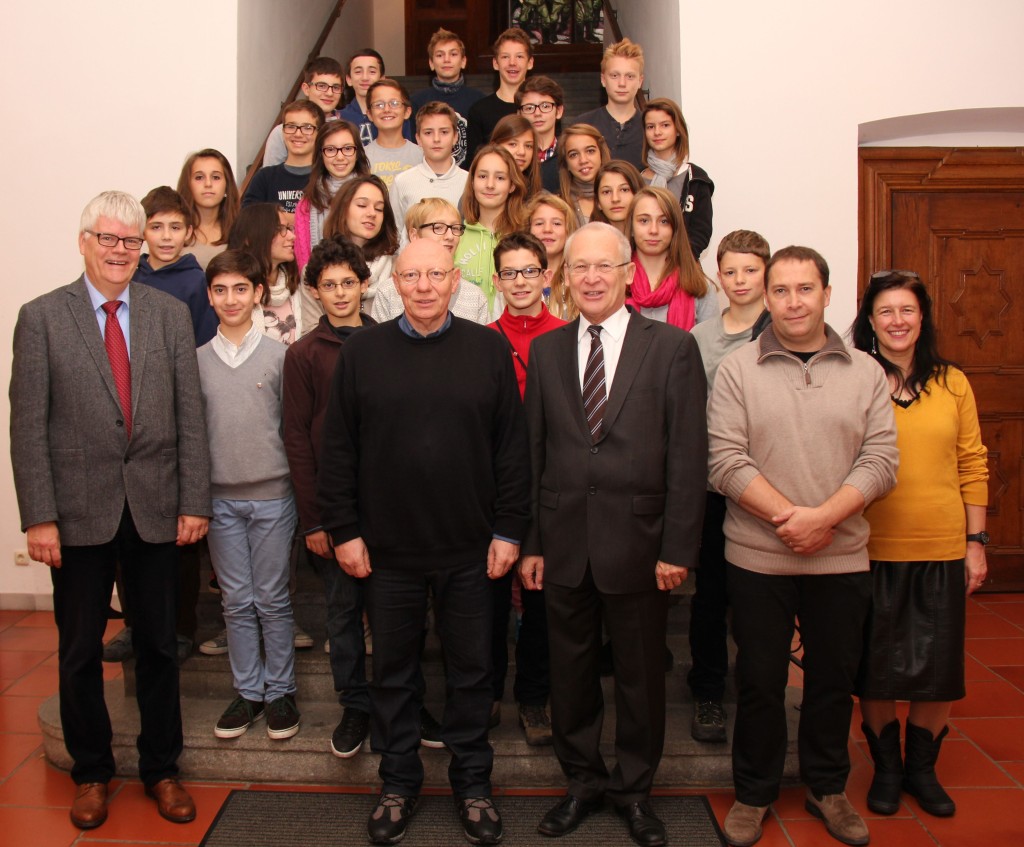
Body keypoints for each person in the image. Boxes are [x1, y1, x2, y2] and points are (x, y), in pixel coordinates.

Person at [318, 237, 530, 845]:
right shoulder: (363, 353)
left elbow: (512, 450)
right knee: (393, 674)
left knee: (472, 673)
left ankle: (473, 784)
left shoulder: (488, 348)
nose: (425, 286)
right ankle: (399, 782)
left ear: (456, 280)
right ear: (395, 283)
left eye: (437, 273)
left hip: (470, 550)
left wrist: (510, 528)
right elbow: (337, 451)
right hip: (386, 554)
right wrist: (345, 532)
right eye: (412, 275)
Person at [10, 190, 210, 829]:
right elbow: (27, 427)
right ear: (84, 242)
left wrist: (193, 500)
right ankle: (91, 772)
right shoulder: (42, 318)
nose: (121, 250)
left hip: (155, 509)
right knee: (77, 651)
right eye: (109, 239)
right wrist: (40, 516)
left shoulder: (167, 314)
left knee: (158, 646)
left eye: (131, 241)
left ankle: (162, 768)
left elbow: (189, 417)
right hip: (75, 515)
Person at [521, 222, 708, 847]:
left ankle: (634, 791)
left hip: (642, 545)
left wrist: (679, 548)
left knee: (639, 678)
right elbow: (534, 454)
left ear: (630, 272)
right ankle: (582, 782)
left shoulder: (673, 349)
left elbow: (688, 456)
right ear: (564, 277)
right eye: (580, 268)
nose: (593, 278)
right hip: (565, 543)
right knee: (569, 674)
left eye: (605, 266)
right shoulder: (547, 351)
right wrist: (534, 543)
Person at [707, 246, 899, 847]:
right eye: (781, 290)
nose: (793, 301)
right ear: (766, 298)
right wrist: (792, 519)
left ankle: (827, 787)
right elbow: (724, 460)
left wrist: (825, 519)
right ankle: (754, 792)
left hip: (841, 555)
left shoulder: (867, 371)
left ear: (827, 293)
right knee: (761, 679)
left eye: (805, 289)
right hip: (759, 555)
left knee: (832, 680)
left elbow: (882, 460)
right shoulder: (738, 370)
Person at [851, 270, 989, 819]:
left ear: (923, 317)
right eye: (885, 311)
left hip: (941, 545)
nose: (897, 321)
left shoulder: (953, 382)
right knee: (876, 666)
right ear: (869, 320)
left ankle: (921, 770)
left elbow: (972, 463)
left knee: (937, 669)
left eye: (907, 310)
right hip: (870, 546)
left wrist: (975, 541)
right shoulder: (855, 377)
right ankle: (886, 768)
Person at [198, 250, 300, 742]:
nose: (231, 299)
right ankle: (249, 692)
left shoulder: (282, 356)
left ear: (259, 293)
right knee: (236, 602)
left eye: (241, 288)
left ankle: (281, 691)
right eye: (221, 290)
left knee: (272, 598)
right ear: (210, 296)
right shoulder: (196, 361)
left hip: (274, 497)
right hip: (218, 501)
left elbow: (293, 432)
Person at [282, 237, 376, 757]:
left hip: (388, 509)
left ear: (365, 285)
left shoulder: (388, 342)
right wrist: (313, 521)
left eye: (348, 283)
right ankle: (355, 704)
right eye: (328, 285)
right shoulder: (303, 355)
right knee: (342, 613)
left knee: (394, 612)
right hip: (334, 513)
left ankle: (398, 700)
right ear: (314, 292)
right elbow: (297, 439)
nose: (340, 293)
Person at [686, 230, 771, 745]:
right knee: (710, 594)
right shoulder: (700, 338)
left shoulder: (781, 332)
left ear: (766, 274)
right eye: (731, 271)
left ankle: (759, 685)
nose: (740, 281)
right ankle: (708, 690)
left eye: (751, 271)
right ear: (718, 275)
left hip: (771, 486)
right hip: (715, 488)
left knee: (759, 596)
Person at [488, 232, 565, 746]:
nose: (520, 282)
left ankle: (535, 698)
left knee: (540, 601)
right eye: (510, 273)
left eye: (529, 271)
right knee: (487, 597)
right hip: (492, 489)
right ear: (496, 281)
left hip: (549, 487)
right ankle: (489, 690)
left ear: (547, 275)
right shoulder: (481, 339)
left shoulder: (568, 336)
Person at [372, 198, 489, 324]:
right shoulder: (388, 292)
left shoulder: (474, 296)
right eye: (438, 228)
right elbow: (379, 340)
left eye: (455, 228)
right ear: (414, 235)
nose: (450, 236)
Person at [136, 186, 218, 347]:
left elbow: (205, 343)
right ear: (142, 231)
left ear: (188, 232)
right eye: (156, 227)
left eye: (175, 228)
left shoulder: (198, 282)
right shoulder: (131, 278)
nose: (166, 236)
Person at [626, 186, 717, 330]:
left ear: (675, 228)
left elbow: (709, 349)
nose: (653, 230)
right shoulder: (615, 281)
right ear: (631, 227)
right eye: (644, 221)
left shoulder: (701, 287)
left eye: (664, 221)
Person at [455, 144, 528, 319]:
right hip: (466, 334)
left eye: (500, 178)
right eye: (482, 176)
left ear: (512, 185)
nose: (490, 185)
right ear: (472, 182)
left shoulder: (525, 238)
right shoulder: (455, 236)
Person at [641, 98, 714, 258]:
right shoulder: (636, 179)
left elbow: (701, 233)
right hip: (643, 269)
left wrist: (677, 261)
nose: (657, 132)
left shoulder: (696, 178)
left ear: (678, 130)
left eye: (665, 125)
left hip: (684, 269)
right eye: (650, 127)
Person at [294, 119, 370, 272]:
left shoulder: (372, 195)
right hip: (318, 287)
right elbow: (303, 261)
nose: (340, 157)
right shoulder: (307, 202)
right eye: (330, 150)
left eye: (347, 148)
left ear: (358, 153)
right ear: (320, 155)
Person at [322, 174, 399, 316]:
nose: (372, 213)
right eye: (362, 205)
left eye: (379, 209)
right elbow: (311, 330)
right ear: (343, 210)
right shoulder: (319, 266)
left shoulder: (398, 268)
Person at [227, 203, 304, 343]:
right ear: (251, 236)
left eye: (289, 228)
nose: (292, 236)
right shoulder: (232, 291)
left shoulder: (299, 286)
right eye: (281, 229)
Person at [410, 28, 485, 166]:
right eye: (439, 55)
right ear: (431, 63)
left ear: (463, 61)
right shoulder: (417, 101)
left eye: (453, 54)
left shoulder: (479, 100)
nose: (446, 60)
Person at [389, 102, 468, 234]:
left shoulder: (469, 182)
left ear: (455, 137)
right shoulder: (402, 182)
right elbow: (394, 234)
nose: (436, 139)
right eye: (428, 133)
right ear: (418, 139)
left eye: (444, 132)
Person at [571, 38, 645, 170]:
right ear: (603, 79)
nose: (622, 83)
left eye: (630, 76)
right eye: (615, 76)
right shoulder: (582, 125)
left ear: (640, 81)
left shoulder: (650, 128)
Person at [263, 56, 346, 167]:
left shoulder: (346, 130)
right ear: (306, 89)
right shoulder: (283, 133)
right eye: (321, 86)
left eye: (335, 87)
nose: (329, 93)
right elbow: (271, 177)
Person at [467, 27, 534, 162]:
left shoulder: (540, 109)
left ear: (530, 63)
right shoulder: (479, 110)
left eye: (519, 56)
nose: (512, 63)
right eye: (505, 57)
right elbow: (473, 162)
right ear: (495, 63)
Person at [242, 100, 322, 214]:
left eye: (307, 128)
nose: (298, 134)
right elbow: (249, 222)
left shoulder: (326, 178)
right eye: (291, 126)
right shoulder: (264, 178)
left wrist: (282, 217)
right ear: (283, 131)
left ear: (319, 133)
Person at [177, 148, 239, 269]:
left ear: (227, 185)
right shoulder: (173, 228)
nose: (208, 184)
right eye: (199, 177)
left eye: (216, 177)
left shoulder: (241, 229)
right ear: (188, 184)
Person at [525, 191, 578, 320]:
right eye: (539, 223)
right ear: (528, 230)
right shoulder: (515, 278)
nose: (547, 229)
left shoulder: (579, 278)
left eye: (556, 223)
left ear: (568, 230)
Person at [363, 79, 424, 190]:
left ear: (407, 112)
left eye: (394, 103)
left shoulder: (422, 155)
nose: (386, 109)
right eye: (379, 105)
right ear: (370, 114)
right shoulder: (361, 156)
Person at [516, 75, 565, 193]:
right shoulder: (514, 157)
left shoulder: (569, 155)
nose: (537, 113)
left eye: (545, 106)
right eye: (529, 108)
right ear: (519, 114)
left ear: (559, 111)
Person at [557, 124, 610, 225]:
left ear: (601, 154)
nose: (583, 160)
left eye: (590, 151)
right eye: (574, 155)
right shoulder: (557, 205)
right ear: (566, 163)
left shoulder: (621, 196)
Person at [490, 113, 542, 199]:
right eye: (513, 144)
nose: (522, 152)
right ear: (495, 146)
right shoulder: (480, 194)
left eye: (528, 146)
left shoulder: (541, 200)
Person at [591, 160, 643, 234]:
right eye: (607, 192)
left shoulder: (652, 239)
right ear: (598, 202)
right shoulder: (588, 242)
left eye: (624, 190)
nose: (615, 199)